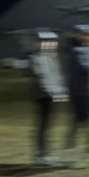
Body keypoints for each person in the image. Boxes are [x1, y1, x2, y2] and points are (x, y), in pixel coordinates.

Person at [28, 30, 67, 166]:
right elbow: (43, 77)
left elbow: (57, 75)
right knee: (43, 126)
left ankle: (45, 154)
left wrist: (61, 92)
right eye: (46, 42)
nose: (50, 44)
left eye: (52, 42)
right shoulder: (35, 57)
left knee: (48, 125)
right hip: (43, 95)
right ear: (39, 43)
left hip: (52, 95)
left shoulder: (53, 56)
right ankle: (41, 155)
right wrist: (54, 92)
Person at [64, 25, 89, 167]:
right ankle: (85, 150)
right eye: (86, 35)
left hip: (78, 89)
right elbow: (86, 68)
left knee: (78, 119)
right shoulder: (78, 50)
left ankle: (71, 146)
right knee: (86, 120)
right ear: (80, 35)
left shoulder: (76, 48)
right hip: (80, 89)